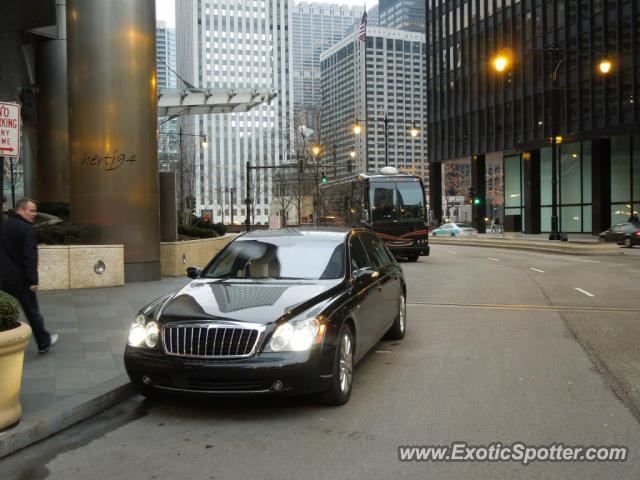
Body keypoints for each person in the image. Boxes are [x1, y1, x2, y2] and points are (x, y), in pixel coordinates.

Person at [1, 198, 58, 354]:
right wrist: (33, 280)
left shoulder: (5, 225)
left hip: (4, 279)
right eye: (31, 211)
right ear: (21, 209)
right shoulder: (26, 229)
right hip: (22, 280)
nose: (34, 214)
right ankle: (43, 342)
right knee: (33, 312)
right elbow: (30, 257)